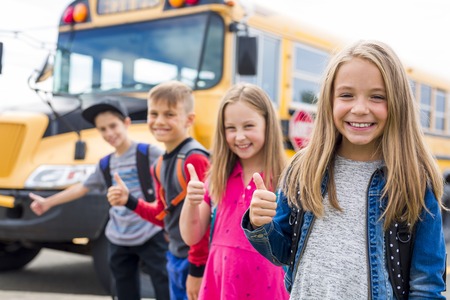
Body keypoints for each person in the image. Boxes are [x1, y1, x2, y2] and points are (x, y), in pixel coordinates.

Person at [242, 40, 447, 299]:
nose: (359, 109)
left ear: (398, 103)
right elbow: (282, 252)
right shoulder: (304, 169)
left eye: (377, 96)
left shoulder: (414, 180)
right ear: (329, 100)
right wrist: (260, 223)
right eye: (346, 95)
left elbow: (426, 284)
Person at [29, 99, 170, 300]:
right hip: (118, 236)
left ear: (127, 123)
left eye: (113, 126)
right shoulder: (105, 164)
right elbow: (81, 188)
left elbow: (173, 178)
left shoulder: (148, 153)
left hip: (150, 232)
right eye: (102, 129)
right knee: (123, 291)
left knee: (164, 288)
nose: (109, 133)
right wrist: (48, 202)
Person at [179, 83, 289, 299]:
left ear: (268, 125)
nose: (239, 136)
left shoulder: (286, 178)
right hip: (219, 285)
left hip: (267, 288)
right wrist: (191, 202)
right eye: (231, 128)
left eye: (248, 126)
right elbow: (191, 236)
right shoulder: (218, 176)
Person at [107, 81, 210, 300]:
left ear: (189, 120)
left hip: (195, 262)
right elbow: (165, 217)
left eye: (170, 114)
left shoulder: (195, 159)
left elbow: (204, 222)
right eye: (153, 113)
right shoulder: (160, 164)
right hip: (175, 256)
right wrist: (129, 201)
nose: (159, 121)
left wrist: (197, 269)